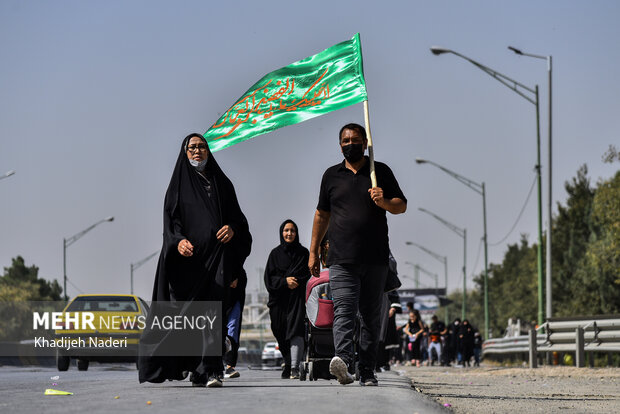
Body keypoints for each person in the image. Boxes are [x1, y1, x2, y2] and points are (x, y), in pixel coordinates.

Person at [138, 133, 252, 388]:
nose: (197, 151)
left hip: (218, 261)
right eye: (192, 148)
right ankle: (196, 368)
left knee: (213, 314)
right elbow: (170, 224)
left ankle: (212, 370)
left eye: (202, 147)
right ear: (185, 152)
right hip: (189, 266)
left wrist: (232, 229)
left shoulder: (222, 184)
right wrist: (178, 241)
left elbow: (239, 221)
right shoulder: (178, 186)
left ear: (209, 151)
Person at [308, 123, 406, 386]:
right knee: (344, 312)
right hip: (341, 259)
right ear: (340, 145)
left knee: (371, 318)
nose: (349, 144)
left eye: (355, 139)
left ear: (365, 142)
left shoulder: (379, 172)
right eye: (345, 140)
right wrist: (313, 251)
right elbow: (321, 215)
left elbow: (401, 206)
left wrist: (383, 201)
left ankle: (367, 371)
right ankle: (343, 362)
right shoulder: (331, 175)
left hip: (375, 259)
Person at [264, 219, 310, 379]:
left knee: (296, 331)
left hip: (296, 300)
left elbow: (308, 274)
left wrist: (295, 281)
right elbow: (269, 279)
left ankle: (294, 367)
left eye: (292, 230)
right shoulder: (275, 254)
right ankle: (288, 361)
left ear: (296, 233)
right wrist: (285, 282)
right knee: (279, 330)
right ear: (281, 233)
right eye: (286, 230)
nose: (289, 233)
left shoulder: (303, 254)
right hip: (278, 302)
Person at [223, 267, 247, 379]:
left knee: (232, 328)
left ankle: (229, 365)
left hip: (235, 290)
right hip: (214, 286)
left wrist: (235, 276)